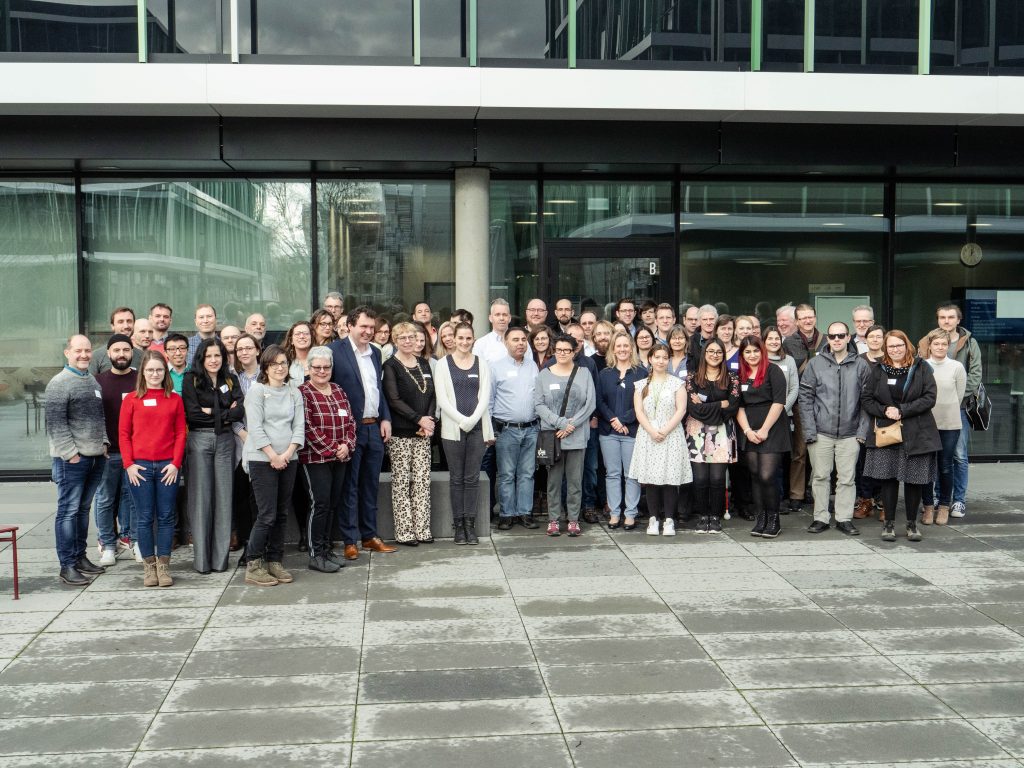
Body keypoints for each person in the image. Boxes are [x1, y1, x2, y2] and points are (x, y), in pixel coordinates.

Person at [328, 307, 397, 559]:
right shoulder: (336, 351)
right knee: (350, 486)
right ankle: (350, 540)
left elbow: (377, 389)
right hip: (349, 430)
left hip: (374, 428)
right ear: (350, 326)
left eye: (372, 328)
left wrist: (385, 417)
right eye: (363, 327)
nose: (368, 332)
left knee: (370, 485)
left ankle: (370, 536)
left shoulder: (376, 353)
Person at [862, 330, 940, 542]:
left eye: (899, 345)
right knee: (888, 479)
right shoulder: (878, 369)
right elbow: (867, 399)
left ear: (907, 346)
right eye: (891, 346)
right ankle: (888, 524)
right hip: (887, 432)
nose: (895, 350)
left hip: (917, 431)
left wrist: (903, 410)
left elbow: (930, 397)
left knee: (914, 480)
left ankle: (912, 524)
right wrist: (885, 410)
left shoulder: (921, 367)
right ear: (886, 349)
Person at [45, 334, 110, 586]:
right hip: (72, 459)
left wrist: (104, 443)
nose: (84, 355)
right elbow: (56, 423)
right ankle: (67, 566)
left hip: (95, 457)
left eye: (87, 350)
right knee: (68, 512)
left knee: (82, 510)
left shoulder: (90, 379)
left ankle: (80, 557)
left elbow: (99, 417)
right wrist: (70, 453)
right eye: (78, 351)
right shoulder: (59, 383)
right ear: (67, 353)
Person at [120, 350, 186, 587]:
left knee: (167, 516)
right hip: (140, 467)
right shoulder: (131, 399)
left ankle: (164, 565)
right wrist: (129, 464)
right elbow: (124, 434)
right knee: (145, 517)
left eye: (159, 369)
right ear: (143, 373)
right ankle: (149, 567)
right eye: (150, 370)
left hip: (168, 465)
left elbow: (180, 433)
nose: (155, 374)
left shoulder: (174, 399)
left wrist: (175, 464)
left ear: (164, 372)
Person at [799, 321, 871, 537]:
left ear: (849, 337)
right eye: (832, 336)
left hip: (850, 434)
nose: (837, 339)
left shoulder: (860, 365)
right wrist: (809, 431)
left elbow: (867, 402)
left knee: (847, 478)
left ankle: (844, 518)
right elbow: (805, 398)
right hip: (821, 432)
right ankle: (820, 517)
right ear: (827, 339)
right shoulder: (815, 364)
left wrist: (861, 432)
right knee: (820, 477)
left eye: (841, 335)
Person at [242, 345, 305, 587]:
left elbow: (299, 427)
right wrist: (273, 455)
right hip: (262, 460)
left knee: (281, 513)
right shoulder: (256, 392)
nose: (280, 367)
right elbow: (255, 428)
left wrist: (288, 453)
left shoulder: (294, 392)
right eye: (274, 363)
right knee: (266, 514)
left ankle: (274, 560)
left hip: (289, 459)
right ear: (265, 367)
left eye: (284, 363)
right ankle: (254, 563)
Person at [182, 338, 244, 573]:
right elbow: (193, 415)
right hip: (199, 441)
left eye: (217, 355)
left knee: (223, 498)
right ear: (201, 357)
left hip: (226, 440)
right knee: (201, 499)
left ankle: (220, 561)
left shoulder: (231, 378)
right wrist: (225, 411)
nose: (214, 360)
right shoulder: (192, 379)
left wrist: (214, 411)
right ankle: (202, 562)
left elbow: (240, 411)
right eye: (209, 356)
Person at [917, 303, 981, 520]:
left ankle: (958, 501)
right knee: (932, 459)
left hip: (956, 408)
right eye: (942, 317)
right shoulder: (926, 342)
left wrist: (953, 400)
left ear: (958, 319)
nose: (946, 320)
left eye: (951, 317)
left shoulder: (969, 343)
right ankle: (933, 499)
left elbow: (973, 376)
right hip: (929, 413)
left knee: (958, 457)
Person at [435, 322, 494, 544]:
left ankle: (470, 524)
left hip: (477, 428)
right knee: (456, 478)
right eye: (460, 338)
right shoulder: (442, 364)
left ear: (473, 339)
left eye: (468, 338)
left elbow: (485, 397)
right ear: (453, 339)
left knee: (472, 478)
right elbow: (442, 399)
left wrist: (472, 421)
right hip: (453, 429)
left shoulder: (482, 364)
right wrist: (462, 420)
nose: (464, 342)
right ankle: (458, 525)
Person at [299, 346, 356, 573]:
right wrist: (334, 448)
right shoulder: (303, 392)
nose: (322, 371)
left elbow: (351, 421)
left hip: (340, 458)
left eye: (326, 367)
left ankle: (326, 550)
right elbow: (307, 427)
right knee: (319, 505)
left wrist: (347, 446)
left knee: (332, 504)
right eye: (317, 367)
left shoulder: (338, 390)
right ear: (309, 368)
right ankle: (316, 554)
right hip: (315, 459)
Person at [535, 335, 596, 537]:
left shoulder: (584, 373)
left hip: (577, 436)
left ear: (574, 352)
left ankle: (573, 520)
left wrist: (572, 425)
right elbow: (539, 405)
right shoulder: (544, 375)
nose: (562, 353)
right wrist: (561, 423)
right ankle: (553, 519)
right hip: (553, 436)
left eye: (566, 350)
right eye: (559, 350)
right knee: (553, 481)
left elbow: (590, 404)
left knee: (575, 481)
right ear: (554, 351)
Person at [383, 322, 438, 546]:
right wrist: (418, 419)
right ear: (395, 341)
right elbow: (394, 400)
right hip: (401, 434)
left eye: (411, 337)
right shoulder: (390, 366)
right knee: (402, 483)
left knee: (423, 481)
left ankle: (423, 529)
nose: (408, 341)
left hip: (423, 433)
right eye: (402, 337)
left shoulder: (423, 362)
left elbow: (432, 393)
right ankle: (405, 532)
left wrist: (429, 421)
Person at [629, 345, 689, 536]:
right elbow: (639, 411)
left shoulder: (677, 384)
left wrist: (664, 430)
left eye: (665, 357)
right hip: (648, 434)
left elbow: (681, 410)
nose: (661, 361)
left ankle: (669, 520)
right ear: (651, 360)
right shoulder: (641, 385)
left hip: (671, 434)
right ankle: (653, 519)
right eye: (657, 357)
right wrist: (652, 431)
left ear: (668, 360)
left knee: (670, 478)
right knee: (651, 478)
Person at [736, 335, 790, 538]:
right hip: (748, 426)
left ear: (762, 351)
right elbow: (738, 406)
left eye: (755, 350)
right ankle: (761, 518)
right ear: (742, 354)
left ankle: (774, 518)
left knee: (768, 475)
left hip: (772, 426)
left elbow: (779, 402)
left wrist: (764, 429)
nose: (752, 355)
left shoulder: (773, 371)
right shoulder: (739, 374)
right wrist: (748, 431)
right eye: (747, 351)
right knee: (756, 476)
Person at [93, 335, 139, 566]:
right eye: (117, 350)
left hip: (135, 452)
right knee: (105, 499)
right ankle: (107, 545)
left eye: (126, 350)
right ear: (108, 353)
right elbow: (93, 417)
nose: (121, 354)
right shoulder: (97, 381)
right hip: (107, 451)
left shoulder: (140, 379)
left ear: (132, 352)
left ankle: (131, 540)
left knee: (132, 498)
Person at [685, 339, 739, 535]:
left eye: (718, 352)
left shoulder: (732, 377)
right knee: (700, 478)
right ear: (704, 353)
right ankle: (703, 516)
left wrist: (708, 406)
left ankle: (715, 516)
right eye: (710, 351)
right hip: (696, 432)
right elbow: (693, 408)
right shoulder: (692, 377)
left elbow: (733, 406)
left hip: (723, 431)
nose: (714, 355)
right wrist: (720, 404)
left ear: (723, 355)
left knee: (717, 479)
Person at [490, 327, 541, 531]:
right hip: (506, 430)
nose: (520, 343)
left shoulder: (533, 366)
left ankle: (524, 512)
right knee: (506, 474)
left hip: (531, 429)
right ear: (505, 343)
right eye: (515, 340)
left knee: (527, 473)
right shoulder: (495, 367)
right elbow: (489, 400)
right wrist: (489, 429)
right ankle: (506, 513)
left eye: (523, 339)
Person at [598, 332, 645, 529]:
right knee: (612, 473)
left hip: (631, 431)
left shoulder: (641, 373)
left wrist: (624, 419)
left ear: (631, 348)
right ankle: (615, 513)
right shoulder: (605, 374)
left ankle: (630, 513)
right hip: (609, 432)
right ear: (613, 349)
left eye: (626, 346)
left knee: (631, 474)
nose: (623, 349)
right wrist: (613, 420)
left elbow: (643, 403)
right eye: (619, 346)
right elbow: (599, 401)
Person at [920, 329, 967, 526]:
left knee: (946, 466)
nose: (940, 347)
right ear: (929, 345)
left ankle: (945, 506)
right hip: (926, 424)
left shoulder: (957, 367)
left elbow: (959, 395)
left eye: (944, 344)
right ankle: (929, 506)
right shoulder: (922, 366)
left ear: (948, 346)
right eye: (936, 344)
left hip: (950, 423)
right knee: (924, 467)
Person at [782, 303, 822, 514]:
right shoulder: (789, 342)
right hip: (801, 402)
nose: (807, 321)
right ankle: (796, 494)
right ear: (796, 321)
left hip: (826, 402)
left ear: (815, 317)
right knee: (800, 450)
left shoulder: (828, 339)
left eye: (810, 317)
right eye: (803, 318)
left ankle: (819, 493)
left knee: (823, 451)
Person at [230, 333, 261, 557]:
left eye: (248, 348)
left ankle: (262, 544)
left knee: (260, 499)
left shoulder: (268, 377)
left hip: (266, 446)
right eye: (239, 349)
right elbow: (230, 412)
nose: (244, 352)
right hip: (241, 446)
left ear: (258, 350)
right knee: (242, 498)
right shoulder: (233, 380)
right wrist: (243, 433)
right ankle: (248, 544)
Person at [854, 324, 886, 519]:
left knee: (884, 461)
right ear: (865, 340)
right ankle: (866, 500)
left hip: (885, 417)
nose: (875, 339)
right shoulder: (858, 361)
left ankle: (883, 501)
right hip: (863, 418)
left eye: (878, 336)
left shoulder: (890, 360)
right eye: (871, 336)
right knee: (864, 462)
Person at [89, 307, 141, 374]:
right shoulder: (97, 356)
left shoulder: (142, 356)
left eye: (129, 321)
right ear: (112, 326)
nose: (126, 326)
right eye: (120, 322)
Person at [472, 298, 512, 364]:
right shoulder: (481, 344)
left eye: (504, 315)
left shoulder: (521, 342)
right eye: (497, 315)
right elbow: (477, 370)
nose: (501, 318)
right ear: (490, 318)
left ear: (509, 318)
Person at [186, 304, 219, 369]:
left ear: (216, 319)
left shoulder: (224, 343)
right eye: (201, 317)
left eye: (209, 316)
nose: (205, 321)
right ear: (195, 321)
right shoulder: (186, 345)